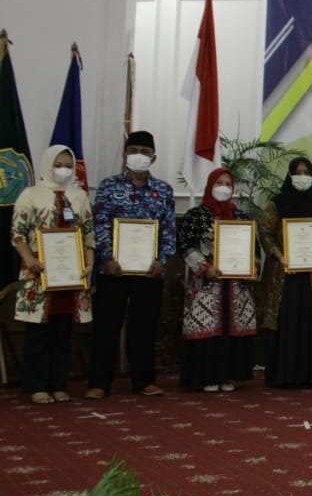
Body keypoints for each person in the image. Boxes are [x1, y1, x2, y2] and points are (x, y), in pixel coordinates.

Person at [86, 131, 177, 399]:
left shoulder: (164, 190)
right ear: (125, 155)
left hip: (149, 271)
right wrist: (106, 258)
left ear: (154, 157)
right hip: (113, 269)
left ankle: (144, 380)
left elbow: (169, 229)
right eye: (133, 150)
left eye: (145, 152)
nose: (139, 156)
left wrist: (162, 260)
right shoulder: (108, 186)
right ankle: (99, 382)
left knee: (144, 326)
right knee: (106, 326)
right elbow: (99, 223)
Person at [11, 145, 94, 404]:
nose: (63, 170)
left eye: (68, 166)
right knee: (38, 333)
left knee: (63, 332)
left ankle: (59, 384)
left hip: (70, 277)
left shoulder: (79, 196)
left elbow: (89, 234)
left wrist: (89, 264)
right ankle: (37, 386)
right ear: (48, 165)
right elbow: (17, 234)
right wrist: (30, 260)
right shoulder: (31, 195)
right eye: (58, 165)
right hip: (39, 275)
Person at [260, 157, 312, 388]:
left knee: (311, 321)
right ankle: (283, 374)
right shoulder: (276, 203)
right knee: (286, 322)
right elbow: (265, 233)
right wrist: (279, 256)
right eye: (298, 172)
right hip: (284, 275)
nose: (302, 176)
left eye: (307, 172)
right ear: (290, 175)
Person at [177, 168, 256, 393]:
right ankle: (206, 377)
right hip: (206, 284)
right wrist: (204, 268)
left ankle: (226, 376)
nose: (224, 188)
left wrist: (251, 266)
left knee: (230, 330)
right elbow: (184, 245)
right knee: (207, 330)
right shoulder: (196, 215)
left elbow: (254, 248)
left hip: (235, 286)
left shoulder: (241, 217)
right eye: (219, 183)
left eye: (228, 184)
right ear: (210, 186)